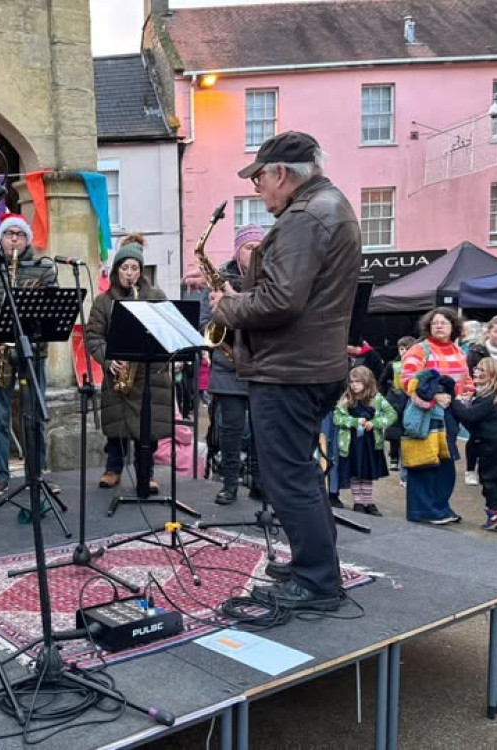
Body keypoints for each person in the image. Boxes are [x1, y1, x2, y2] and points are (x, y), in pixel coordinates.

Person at [209, 131, 361, 611]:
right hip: (311, 364)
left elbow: (282, 300)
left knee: (288, 477)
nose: (257, 188)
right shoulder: (329, 205)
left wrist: (228, 307)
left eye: (258, 178)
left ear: (281, 173)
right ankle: (315, 562)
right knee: (300, 472)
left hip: (290, 369)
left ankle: (316, 581)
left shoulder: (304, 217)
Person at [0, 213, 57, 497]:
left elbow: (53, 312)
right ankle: (0, 475)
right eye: (9, 235)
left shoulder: (43, 270)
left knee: (36, 417)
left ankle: (38, 472)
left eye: (20, 234)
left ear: (27, 239)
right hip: (0, 355)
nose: (15, 239)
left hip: (33, 353)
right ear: (1, 239)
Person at [85, 234, 171, 494]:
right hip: (118, 372)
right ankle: (113, 469)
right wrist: (109, 360)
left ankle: (147, 473)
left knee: (148, 430)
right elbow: (93, 336)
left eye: (134, 268)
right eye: (125, 268)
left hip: (149, 375)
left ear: (141, 271)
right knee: (117, 427)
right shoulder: (103, 301)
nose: (130, 274)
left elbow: (166, 330)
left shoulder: (156, 295)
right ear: (116, 271)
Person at [190, 223, 265, 505]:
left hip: (259, 364)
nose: (254, 251)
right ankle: (230, 485)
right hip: (227, 365)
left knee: (261, 430)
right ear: (237, 250)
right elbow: (203, 323)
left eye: (259, 247)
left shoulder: (269, 278)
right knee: (230, 430)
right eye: (248, 247)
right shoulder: (218, 277)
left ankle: (260, 483)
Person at [400, 307, 475, 524]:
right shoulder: (419, 349)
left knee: (445, 461)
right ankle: (424, 511)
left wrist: (467, 395)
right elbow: (408, 381)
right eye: (435, 322)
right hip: (426, 412)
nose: (439, 326)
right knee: (424, 459)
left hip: (450, 414)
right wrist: (434, 397)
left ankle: (440, 507)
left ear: (454, 326)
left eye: (443, 322)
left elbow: (466, 380)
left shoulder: (459, 351)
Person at [450, 358, 497, 531]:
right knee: (496, 477)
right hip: (496, 441)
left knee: (489, 477)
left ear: (493, 376)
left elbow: (469, 417)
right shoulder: (490, 396)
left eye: (482, 370)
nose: (476, 372)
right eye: (477, 368)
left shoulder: (488, 398)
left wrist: (453, 401)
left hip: (492, 443)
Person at [332, 366, 396, 516]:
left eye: (358, 382)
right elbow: (337, 418)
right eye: (352, 382)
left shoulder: (377, 399)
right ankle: (358, 502)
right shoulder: (346, 399)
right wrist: (354, 422)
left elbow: (392, 415)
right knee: (355, 473)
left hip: (370, 443)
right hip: (352, 444)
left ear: (367, 382)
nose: (354, 385)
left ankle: (369, 501)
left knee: (367, 473)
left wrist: (376, 423)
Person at [463, 317, 497, 486]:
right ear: (489, 332)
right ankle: (470, 469)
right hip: (483, 393)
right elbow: (470, 373)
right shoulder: (477, 351)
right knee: (477, 434)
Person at [379, 335, 417, 472]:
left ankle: (406, 456)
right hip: (394, 400)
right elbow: (382, 381)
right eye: (402, 349)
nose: (404, 352)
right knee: (394, 430)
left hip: (410, 400)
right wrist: (385, 396)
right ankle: (394, 456)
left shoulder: (418, 365)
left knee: (408, 428)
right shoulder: (392, 365)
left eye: (408, 349)